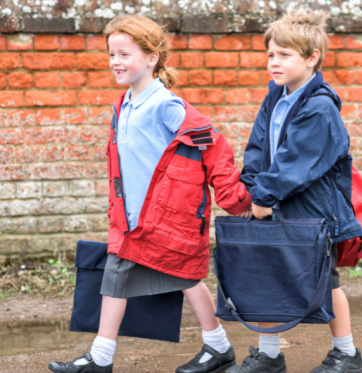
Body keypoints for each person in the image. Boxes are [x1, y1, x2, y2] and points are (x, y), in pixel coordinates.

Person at [48, 15, 252, 373]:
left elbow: (213, 147)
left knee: (187, 276)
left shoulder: (165, 105)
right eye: (112, 54)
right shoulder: (123, 104)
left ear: (152, 58)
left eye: (125, 54)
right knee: (117, 277)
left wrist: (236, 198)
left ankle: (216, 347)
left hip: (164, 219)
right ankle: (103, 356)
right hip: (130, 220)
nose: (115, 62)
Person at [234, 8, 362, 373]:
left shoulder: (320, 108)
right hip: (274, 205)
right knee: (267, 277)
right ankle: (269, 355)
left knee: (327, 283)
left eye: (284, 55)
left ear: (311, 58)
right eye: (270, 55)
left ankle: (347, 352)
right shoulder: (276, 97)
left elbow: (296, 163)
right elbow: (257, 149)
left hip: (313, 212)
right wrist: (250, 192)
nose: (274, 63)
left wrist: (263, 197)